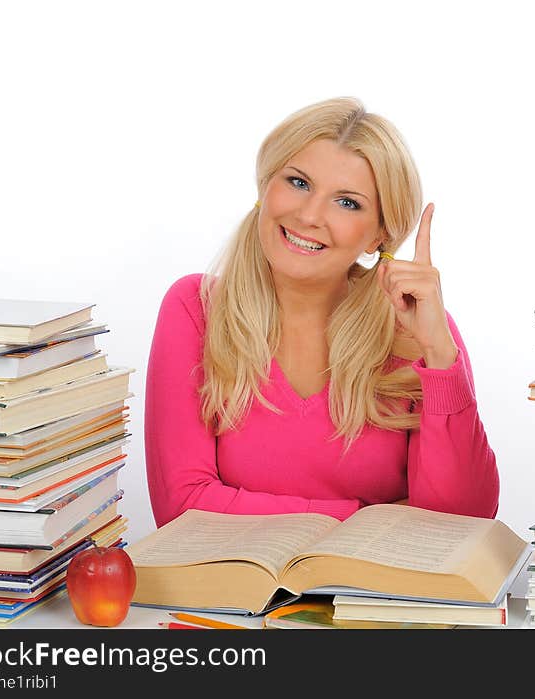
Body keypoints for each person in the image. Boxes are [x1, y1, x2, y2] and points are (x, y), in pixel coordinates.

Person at [144, 97, 499, 528]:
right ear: (265, 188)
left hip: (370, 596)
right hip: (233, 594)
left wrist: (441, 355)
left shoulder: (417, 330)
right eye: (297, 182)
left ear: (378, 236)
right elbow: (182, 507)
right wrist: (365, 516)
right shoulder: (194, 310)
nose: (310, 215)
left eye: (347, 203)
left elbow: (463, 522)